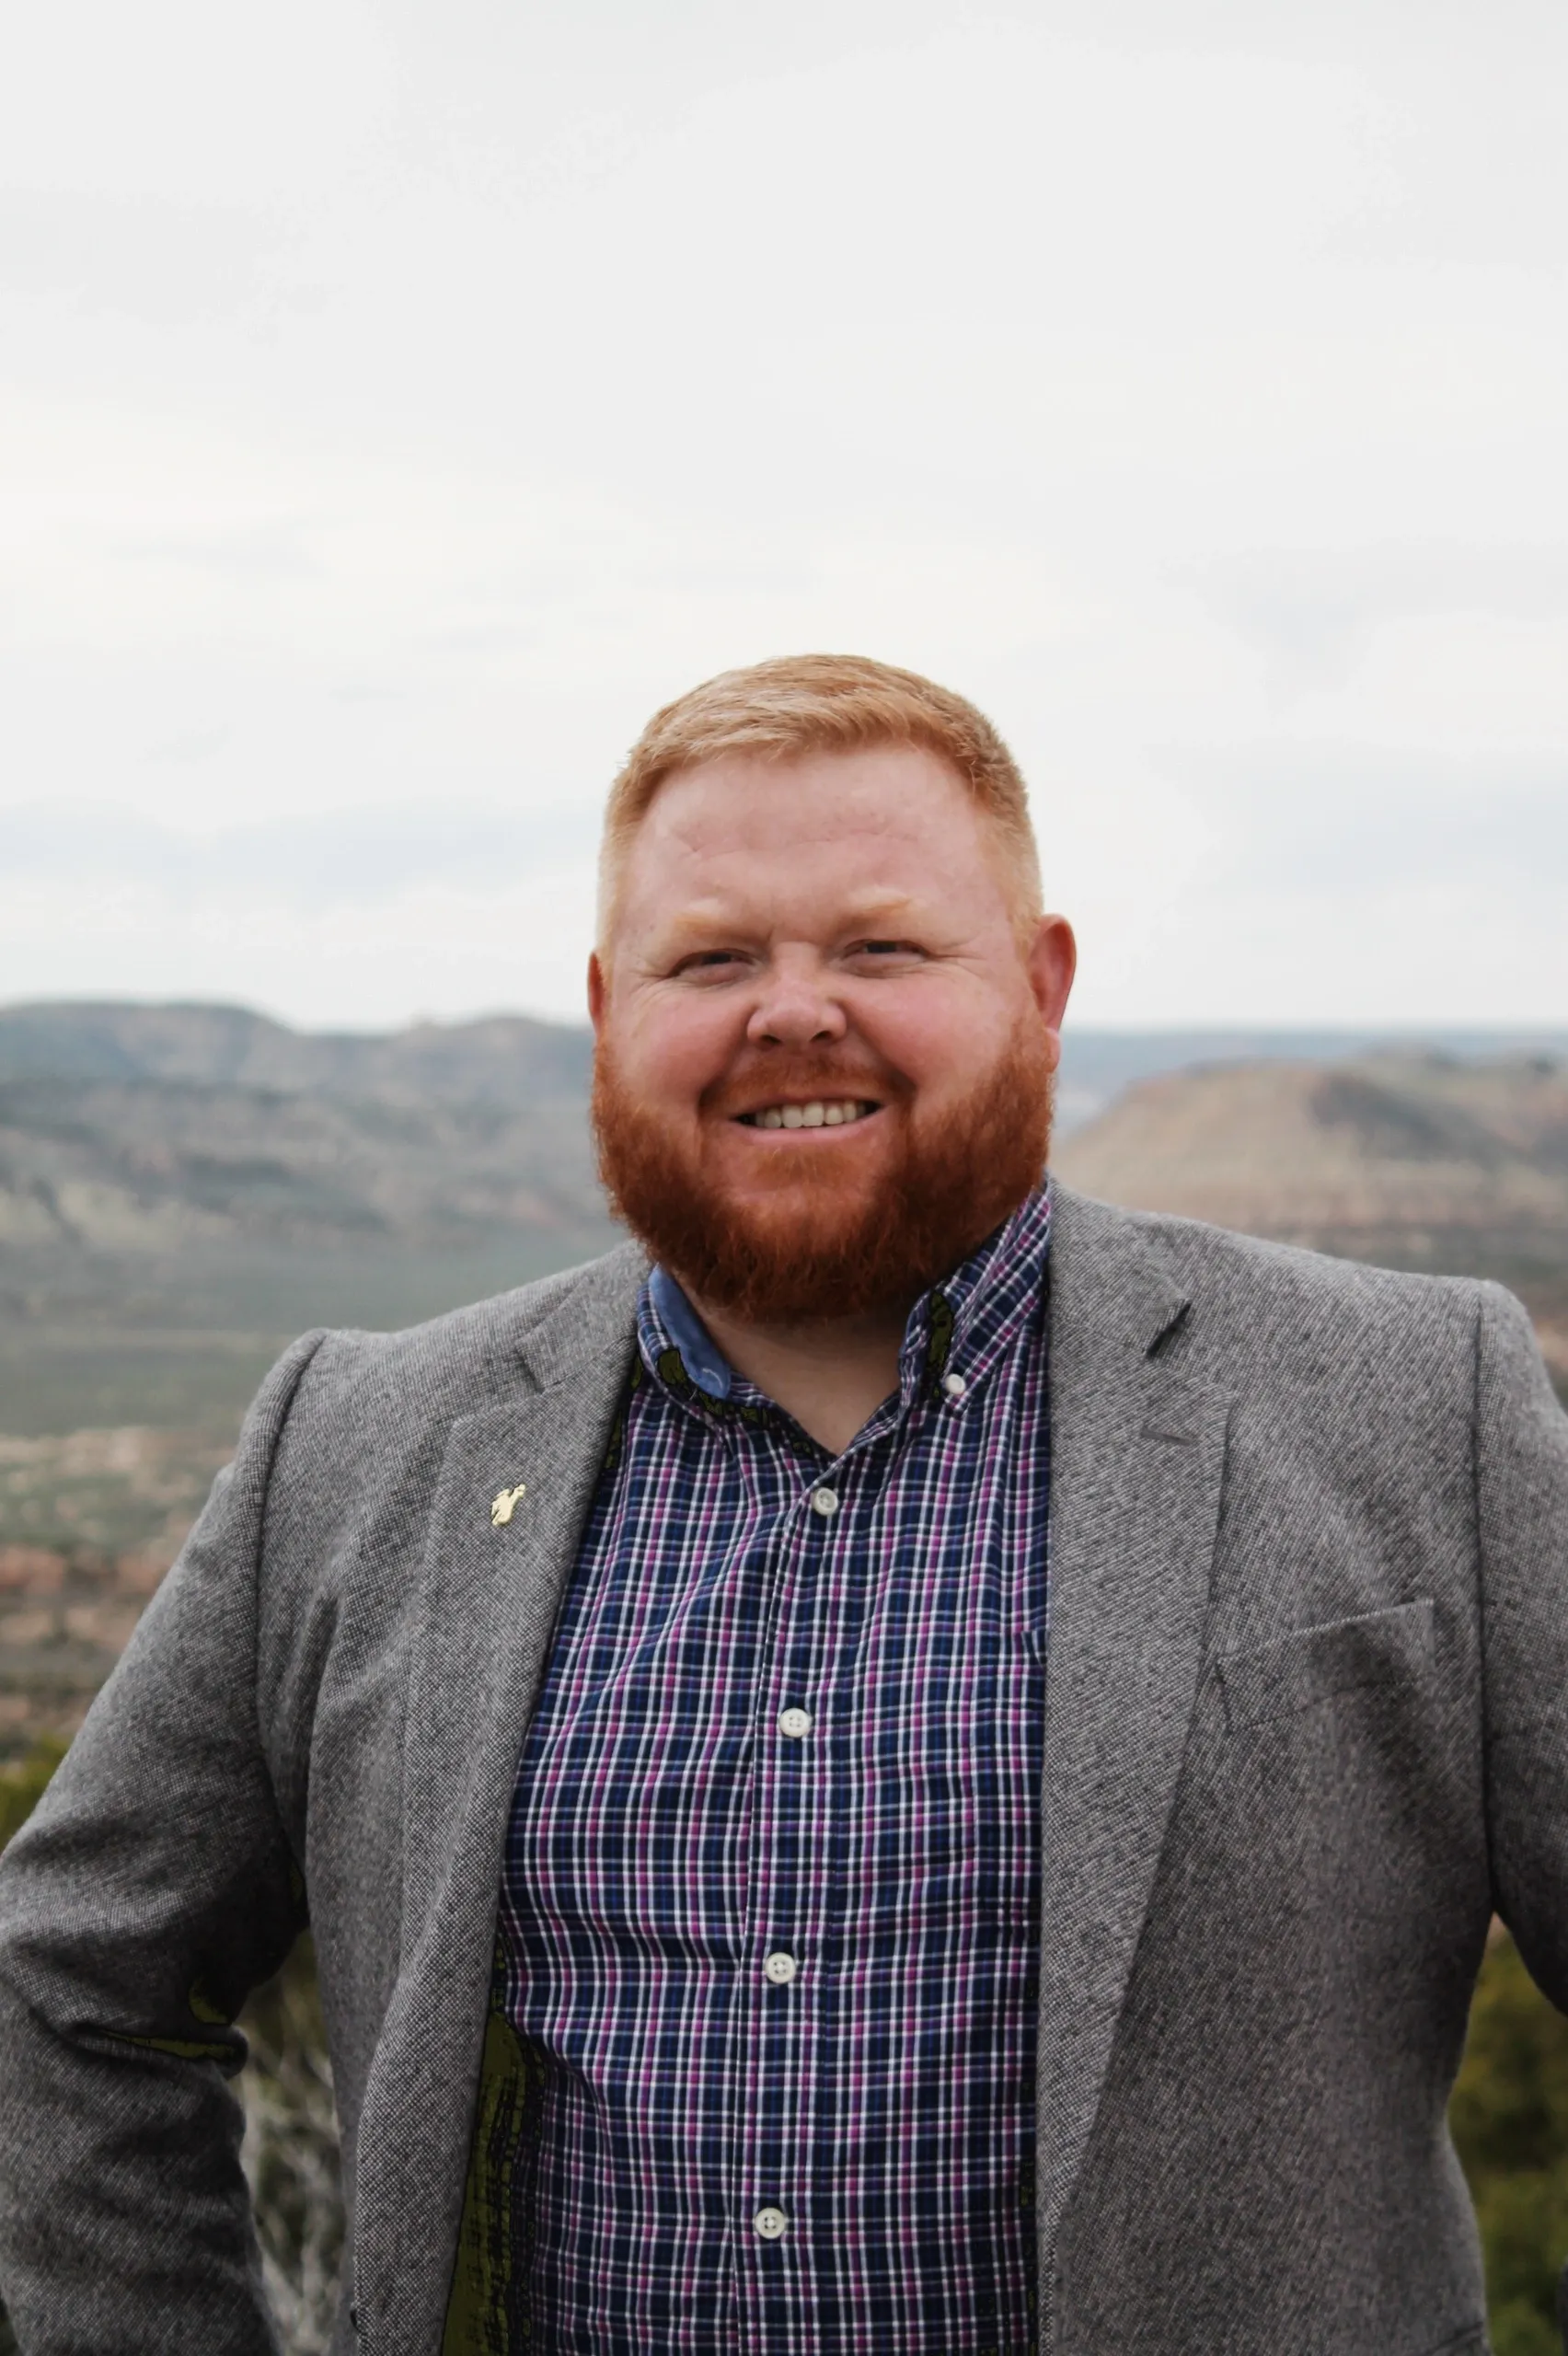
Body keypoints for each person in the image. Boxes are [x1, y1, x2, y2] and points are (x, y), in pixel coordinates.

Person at [0, 653, 1564, 2356]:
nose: (794, 1012)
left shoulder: (1418, 1405)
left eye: (882, 948)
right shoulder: (356, 1445)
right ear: (608, 1007)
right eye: (713, 958)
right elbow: (66, 1980)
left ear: (1043, 985)